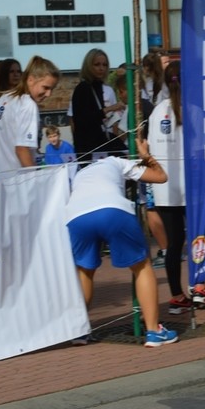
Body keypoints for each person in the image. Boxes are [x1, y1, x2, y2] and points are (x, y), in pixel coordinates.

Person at [66, 136, 179, 347]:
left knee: (84, 270)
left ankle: (79, 331)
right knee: (142, 266)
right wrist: (145, 155)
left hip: (76, 216)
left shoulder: (80, 173)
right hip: (112, 209)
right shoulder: (117, 162)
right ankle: (154, 331)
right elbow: (160, 177)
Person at [145, 61, 205, 312]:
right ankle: (199, 287)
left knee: (173, 244)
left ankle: (176, 294)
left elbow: (150, 148)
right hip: (191, 187)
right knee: (199, 238)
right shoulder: (194, 110)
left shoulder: (156, 112)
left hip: (165, 187)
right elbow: (200, 151)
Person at [0, 56, 60, 173]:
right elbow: (21, 150)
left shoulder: (5, 97)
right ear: (30, 80)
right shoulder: (28, 105)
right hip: (15, 183)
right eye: (45, 87)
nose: (49, 94)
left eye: (52, 89)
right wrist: (35, 181)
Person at [70, 48, 125, 161]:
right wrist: (108, 109)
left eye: (104, 65)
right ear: (89, 66)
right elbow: (83, 120)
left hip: (99, 142)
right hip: (88, 147)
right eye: (97, 65)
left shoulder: (100, 86)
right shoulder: (83, 88)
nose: (101, 68)